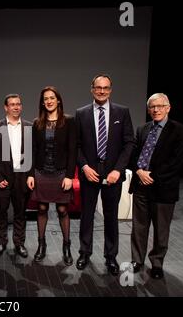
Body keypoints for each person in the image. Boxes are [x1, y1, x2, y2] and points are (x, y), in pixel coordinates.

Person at [75, 74, 135, 275]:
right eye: (98, 87)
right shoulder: (81, 113)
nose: (102, 91)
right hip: (89, 173)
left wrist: (118, 169)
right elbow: (76, 145)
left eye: (106, 88)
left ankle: (111, 257)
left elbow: (129, 143)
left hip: (113, 174)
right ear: (92, 89)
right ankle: (84, 252)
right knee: (87, 216)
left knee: (111, 217)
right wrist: (84, 167)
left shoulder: (122, 112)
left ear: (111, 89)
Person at [129, 93, 183, 279]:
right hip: (140, 186)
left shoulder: (181, 130)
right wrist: (139, 171)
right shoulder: (142, 129)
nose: (156, 110)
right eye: (152, 107)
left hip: (163, 188)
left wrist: (152, 176)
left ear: (168, 108)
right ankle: (137, 260)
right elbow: (133, 154)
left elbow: (176, 162)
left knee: (161, 229)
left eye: (160, 106)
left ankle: (156, 263)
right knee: (139, 227)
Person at [27, 86, 77, 264]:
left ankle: (66, 246)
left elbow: (73, 151)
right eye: (45, 98)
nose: (48, 101)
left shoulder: (69, 121)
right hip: (41, 172)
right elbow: (32, 150)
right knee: (41, 209)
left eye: (52, 98)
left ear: (58, 101)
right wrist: (31, 173)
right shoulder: (37, 123)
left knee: (63, 209)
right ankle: (42, 245)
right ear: (42, 102)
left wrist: (70, 176)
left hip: (61, 173)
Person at [0, 94, 32, 258]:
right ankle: (1, 242)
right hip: (3, 178)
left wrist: (31, 175)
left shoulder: (29, 127)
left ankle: (19, 243)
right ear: (6, 107)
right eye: (12, 104)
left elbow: (33, 154)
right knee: (1, 212)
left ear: (21, 107)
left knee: (20, 212)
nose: (16, 107)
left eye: (18, 104)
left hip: (22, 177)